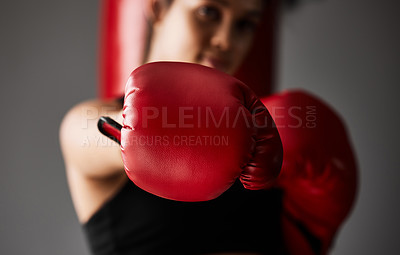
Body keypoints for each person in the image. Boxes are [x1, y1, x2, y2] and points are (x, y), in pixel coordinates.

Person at [59, 0, 357, 254]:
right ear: (159, 7)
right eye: (209, 12)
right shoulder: (96, 120)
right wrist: (150, 129)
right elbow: (85, 133)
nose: (226, 41)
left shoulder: (268, 139)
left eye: (244, 24)